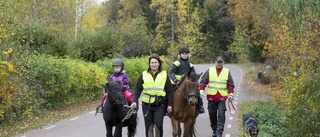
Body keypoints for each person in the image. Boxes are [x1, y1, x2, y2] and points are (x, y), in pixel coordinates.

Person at [130, 55, 173, 137]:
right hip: (147, 106)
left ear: (159, 64)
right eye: (152, 62)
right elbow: (137, 90)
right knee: (148, 127)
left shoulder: (164, 75)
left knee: (158, 125)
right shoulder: (143, 75)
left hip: (160, 105)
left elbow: (169, 91)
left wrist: (170, 104)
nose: (154, 64)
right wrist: (134, 101)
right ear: (149, 64)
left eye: (155, 62)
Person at [199, 56, 235, 137]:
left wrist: (231, 95)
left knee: (221, 115)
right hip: (211, 97)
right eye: (218, 62)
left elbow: (230, 85)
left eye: (221, 62)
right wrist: (201, 89)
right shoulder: (210, 70)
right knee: (212, 114)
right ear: (215, 62)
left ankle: (219, 133)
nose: (219, 64)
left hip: (222, 97)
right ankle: (215, 130)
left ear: (223, 63)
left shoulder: (227, 71)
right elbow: (203, 81)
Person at [169, 46, 205, 114]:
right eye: (183, 54)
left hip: (187, 83)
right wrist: (174, 79)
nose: (184, 55)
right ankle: (167, 107)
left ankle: (200, 106)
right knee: (169, 94)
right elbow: (171, 72)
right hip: (176, 83)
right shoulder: (176, 63)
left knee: (197, 92)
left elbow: (193, 74)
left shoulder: (190, 64)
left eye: (186, 54)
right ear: (180, 55)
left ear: (188, 55)